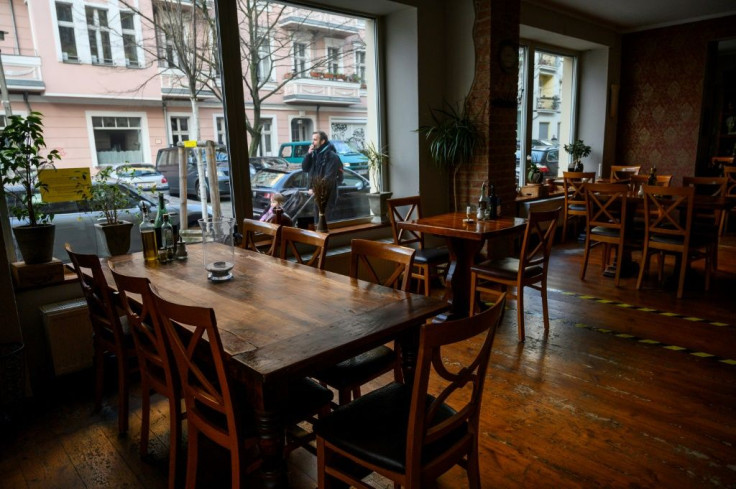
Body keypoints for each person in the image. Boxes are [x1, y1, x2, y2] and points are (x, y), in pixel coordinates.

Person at [301, 131, 342, 222]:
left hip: (326, 194)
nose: (313, 142)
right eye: (312, 139)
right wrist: (308, 155)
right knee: (316, 220)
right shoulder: (314, 154)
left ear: (322, 141)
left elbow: (329, 177)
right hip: (316, 193)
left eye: (315, 140)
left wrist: (316, 189)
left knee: (324, 221)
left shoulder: (332, 156)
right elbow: (305, 168)